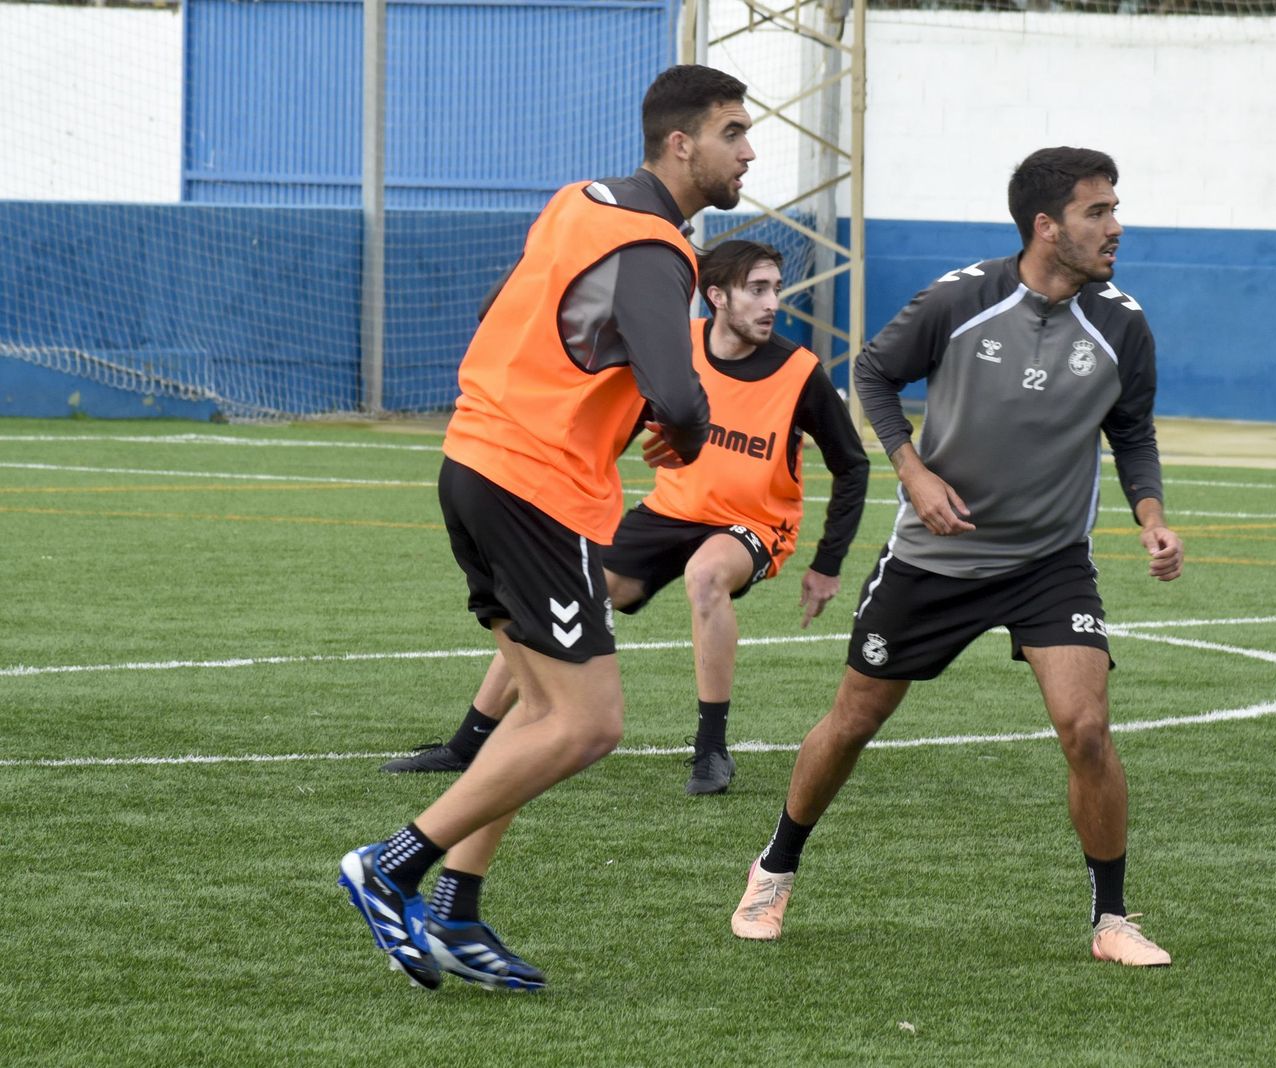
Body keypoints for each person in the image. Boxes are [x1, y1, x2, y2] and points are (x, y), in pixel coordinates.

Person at [338, 64, 754, 994]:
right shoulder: (657, 247)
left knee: (535, 711)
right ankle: (393, 865)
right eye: (734, 132)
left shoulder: (578, 203)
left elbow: (502, 311)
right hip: (537, 488)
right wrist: (677, 437)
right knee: (589, 724)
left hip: (476, 460)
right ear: (681, 144)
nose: (749, 151)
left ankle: (457, 908)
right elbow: (683, 391)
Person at [729, 146, 1185, 968]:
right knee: (855, 720)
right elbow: (871, 370)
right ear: (1047, 227)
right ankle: (775, 867)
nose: (1116, 226)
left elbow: (1133, 431)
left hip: (1050, 562)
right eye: (1098, 212)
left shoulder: (1124, 323)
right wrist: (912, 469)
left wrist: (1150, 515)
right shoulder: (961, 299)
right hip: (934, 559)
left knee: (1085, 729)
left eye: (1115, 208)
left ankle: (1112, 918)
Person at [382, 240, 871, 795]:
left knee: (706, 576)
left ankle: (711, 751)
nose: (770, 303)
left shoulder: (798, 371)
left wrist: (826, 564)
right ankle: (467, 745)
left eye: (775, 290)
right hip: (668, 511)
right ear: (716, 296)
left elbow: (852, 466)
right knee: (559, 595)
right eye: (756, 289)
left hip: (752, 525)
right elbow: (621, 413)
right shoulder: (674, 348)